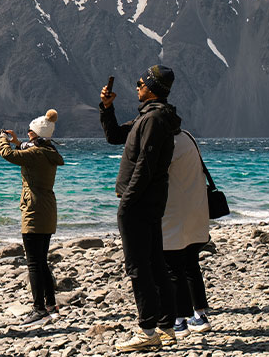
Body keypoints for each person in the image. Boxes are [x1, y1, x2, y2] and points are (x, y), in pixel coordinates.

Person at [99, 65, 182, 352]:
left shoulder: (154, 119)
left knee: (138, 266)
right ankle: (166, 327)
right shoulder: (151, 117)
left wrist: (127, 202)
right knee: (155, 262)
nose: (136, 86)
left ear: (152, 87)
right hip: (150, 200)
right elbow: (113, 137)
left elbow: (145, 166)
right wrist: (107, 108)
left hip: (139, 201)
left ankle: (147, 330)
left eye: (140, 82)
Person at [0, 108, 64, 328]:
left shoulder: (35, 154)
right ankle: (51, 306)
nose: (27, 134)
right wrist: (16, 141)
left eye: (30, 131)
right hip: (47, 209)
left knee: (34, 263)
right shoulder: (47, 151)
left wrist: (3, 140)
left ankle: (38, 310)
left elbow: (9, 155)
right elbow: (26, 150)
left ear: (37, 134)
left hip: (34, 210)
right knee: (41, 260)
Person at [162, 131, 213, 335]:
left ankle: (179, 320)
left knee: (173, 266)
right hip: (196, 210)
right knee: (191, 264)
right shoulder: (189, 138)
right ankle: (200, 315)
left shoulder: (167, 141)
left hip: (175, 213)